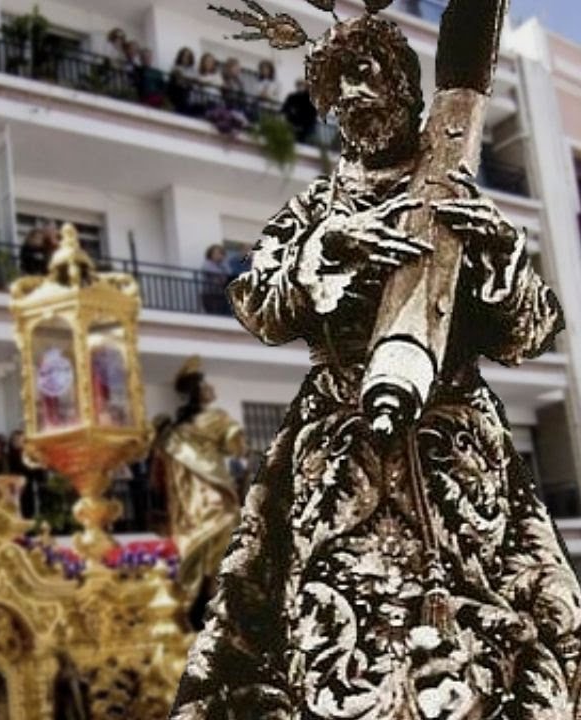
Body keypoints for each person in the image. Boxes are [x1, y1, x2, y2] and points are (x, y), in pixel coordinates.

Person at [172, 15, 581, 717]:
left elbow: (534, 330)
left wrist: (502, 266)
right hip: (339, 440)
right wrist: (326, 252)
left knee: (502, 631)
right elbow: (261, 307)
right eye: (343, 83)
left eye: (372, 76)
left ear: (405, 89)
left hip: (455, 450)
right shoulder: (313, 212)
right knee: (321, 633)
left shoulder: (457, 194)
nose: (358, 94)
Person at [155, 358, 246, 629]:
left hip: (189, 504)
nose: (211, 387)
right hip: (215, 496)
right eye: (206, 383)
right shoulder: (217, 419)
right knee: (225, 537)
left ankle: (201, 602)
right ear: (199, 390)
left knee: (205, 548)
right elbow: (237, 449)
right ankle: (216, 599)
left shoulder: (175, 431)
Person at [282, 78, 318, 143]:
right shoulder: (292, 97)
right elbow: (285, 108)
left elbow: (312, 114)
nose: (300, 87)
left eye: (302, 86)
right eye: (298, 85)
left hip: (305, 126)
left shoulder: (310, 99)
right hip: (293, 123)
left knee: (301, 140)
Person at [199, 244, 232, 315]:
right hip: (210, 294)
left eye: (220, 253)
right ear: (210, 254)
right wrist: (222, 276)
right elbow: (216, 273)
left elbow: (229, 273)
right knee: (214, 314)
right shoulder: (207, 264)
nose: (218, 255)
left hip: (221, 294)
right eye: (215, 253)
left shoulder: (224, 264)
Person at [168, 47, 197, 114]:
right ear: (180, 56)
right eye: (184, 56)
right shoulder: (176, 67)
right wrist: (186, 80)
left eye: (188, 57)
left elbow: (193, 81)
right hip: (177, 93)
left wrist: (185, 80)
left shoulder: (192, 70)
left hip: (188, 94)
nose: (186, 58)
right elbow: (178, 81)